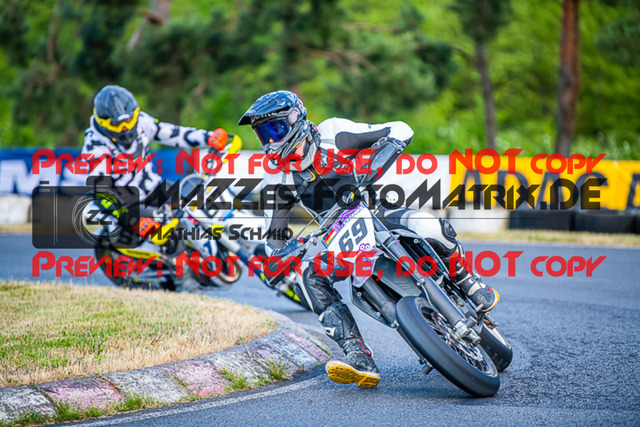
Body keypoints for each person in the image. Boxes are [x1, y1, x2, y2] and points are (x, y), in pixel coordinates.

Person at [238, 90, 500, 388]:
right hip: (336, 235)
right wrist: (280, 257)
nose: (270, 141)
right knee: (306, 277)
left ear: (296, 118)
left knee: (427, 224)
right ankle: (357, 354)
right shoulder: (276, 176)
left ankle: (469, 282)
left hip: (376, 210)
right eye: (263, 134)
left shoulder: (332, 133)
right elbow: (273, 236)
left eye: (275, 129)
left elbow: (400, 129)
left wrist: (376, 163)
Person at [82, 84, 228, 290]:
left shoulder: (142, 122)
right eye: (117, 124)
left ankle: (218, 244)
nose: (125, 128)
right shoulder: (94, 147)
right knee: (167, 232)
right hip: (127, 204)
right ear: (103, 122)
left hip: (154, 187)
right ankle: (184, 281)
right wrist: (133, 219)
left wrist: (208, 137)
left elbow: (173, 133)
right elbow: (101, 194)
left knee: (196, 197)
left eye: (128, 121)